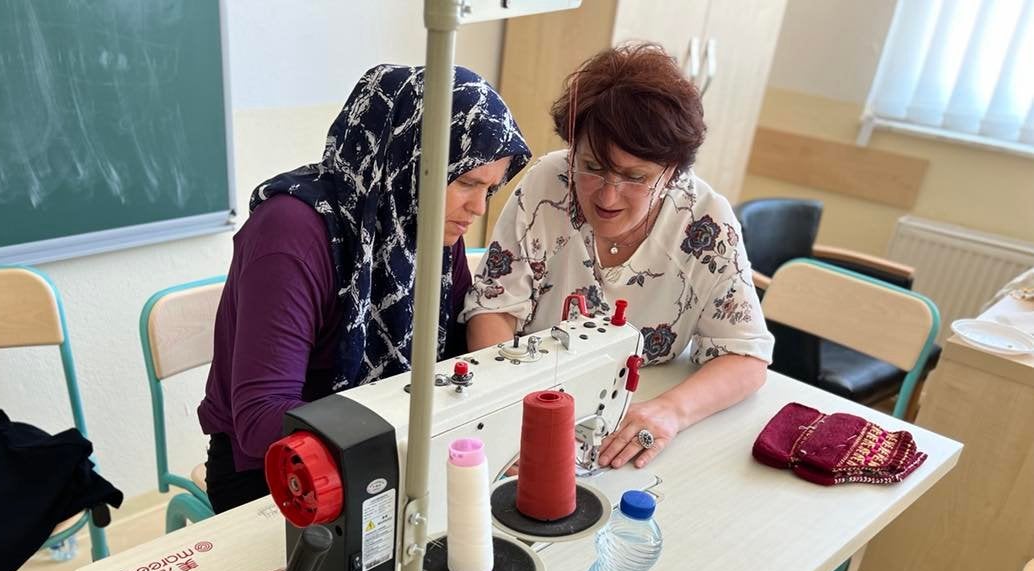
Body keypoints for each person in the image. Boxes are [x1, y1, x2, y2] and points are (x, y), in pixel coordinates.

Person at [198, 65, 530, 513]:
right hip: (276, 469)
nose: (477, 208)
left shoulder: (425, 225)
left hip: (385, 450)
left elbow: (453, 357)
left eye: (489, 189)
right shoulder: (290, 234)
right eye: (467, 182)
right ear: (409, 159)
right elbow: (262, 417)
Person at [464, 43, 773, 471]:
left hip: (639, 406)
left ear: (673, 171)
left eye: (635, 177)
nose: (607, 196)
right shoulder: (547, 184)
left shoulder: (705, 223)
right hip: (534, 394)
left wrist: (669, 411)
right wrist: (510, 408)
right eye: (591, 166)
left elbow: (746, 357)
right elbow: (493, 308)